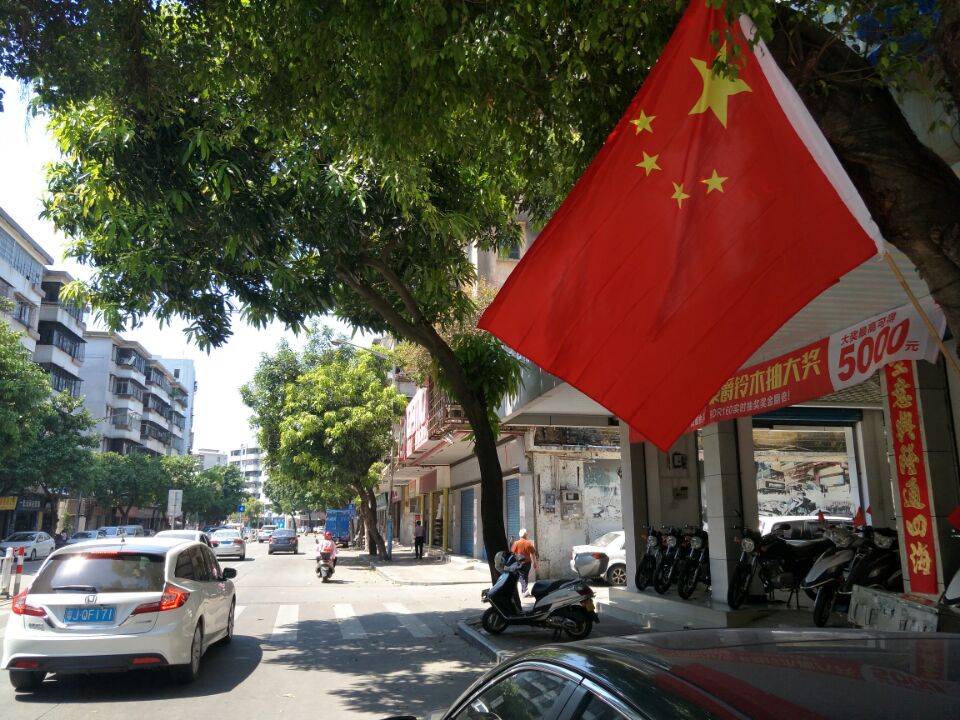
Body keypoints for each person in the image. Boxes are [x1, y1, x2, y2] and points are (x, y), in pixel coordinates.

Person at [510, 528, 540, 597]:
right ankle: (524, 591)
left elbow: (512, 554)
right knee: (525, 576)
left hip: (519, 563)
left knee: (521, 577)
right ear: (525, 535)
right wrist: (534, 563)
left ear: (520, 535)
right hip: (528, 563)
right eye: (527, 534)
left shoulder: (516, 543)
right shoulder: (528, 543)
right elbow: (533, 553)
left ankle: (525, 590)